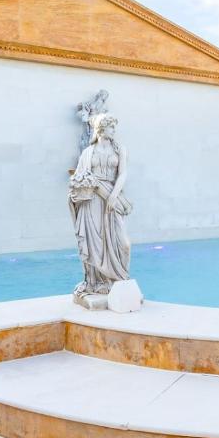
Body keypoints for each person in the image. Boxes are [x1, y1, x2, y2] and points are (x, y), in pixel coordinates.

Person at [68, 114, 132, 300]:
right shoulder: (88, 152)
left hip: (112, 197)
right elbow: (79, 179)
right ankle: (97, 281)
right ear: (101, 129)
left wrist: (114, 195)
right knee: (94, 241)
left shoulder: (120, 149)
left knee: (124, 244)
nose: (114, 130)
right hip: (92, 200)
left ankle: (120, 278)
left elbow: (123, 174)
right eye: (111, 127)